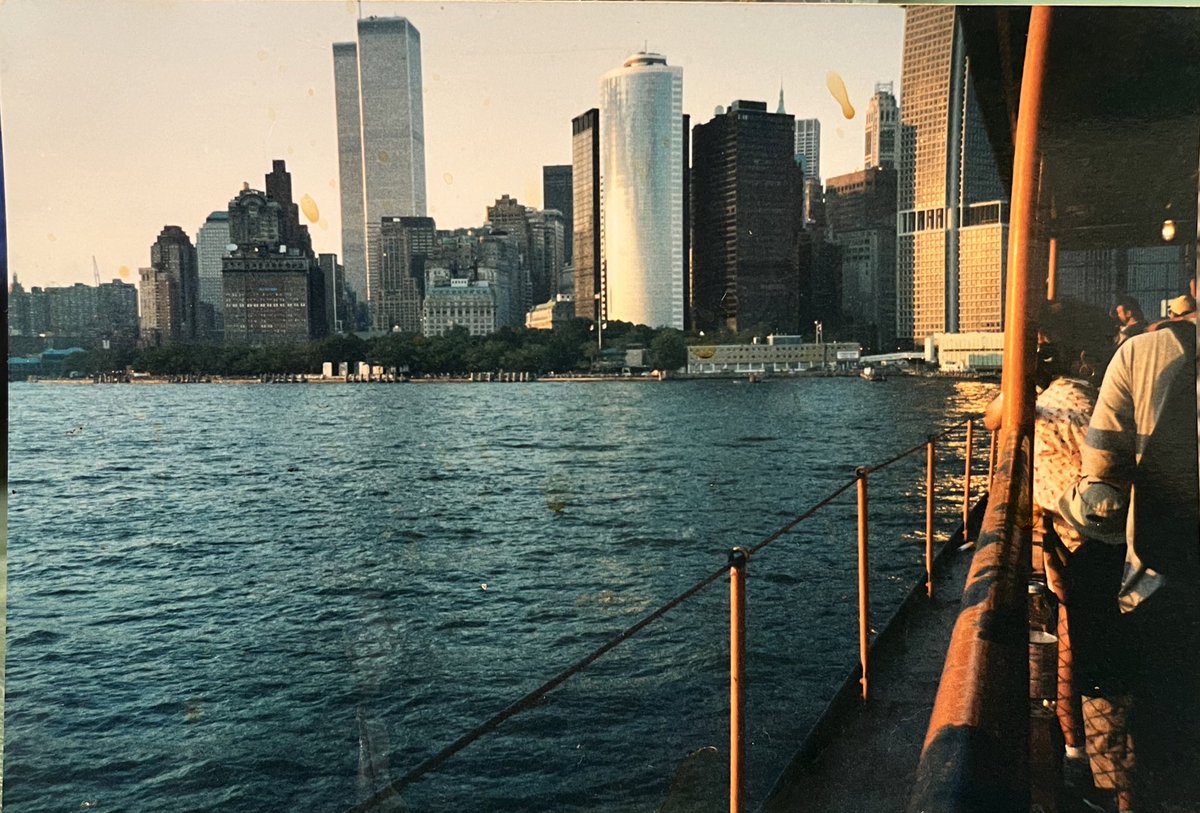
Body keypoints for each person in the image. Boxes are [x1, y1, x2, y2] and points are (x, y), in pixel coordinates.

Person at [1061, 279, 1199, 812]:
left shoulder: (1141, 354)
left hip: (1162, 588)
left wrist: (1067, 507)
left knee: (1168, 749)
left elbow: (1103, 490)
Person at [983, 300, 1116, 791]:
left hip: (1059, 541)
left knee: (1072, 651)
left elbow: (990, 417)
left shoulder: (1044, 401)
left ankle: (1075, 751)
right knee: (1091, 658)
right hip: (1092, 546)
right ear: (1081, 354)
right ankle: (1094, 768)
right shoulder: (1081, 404)